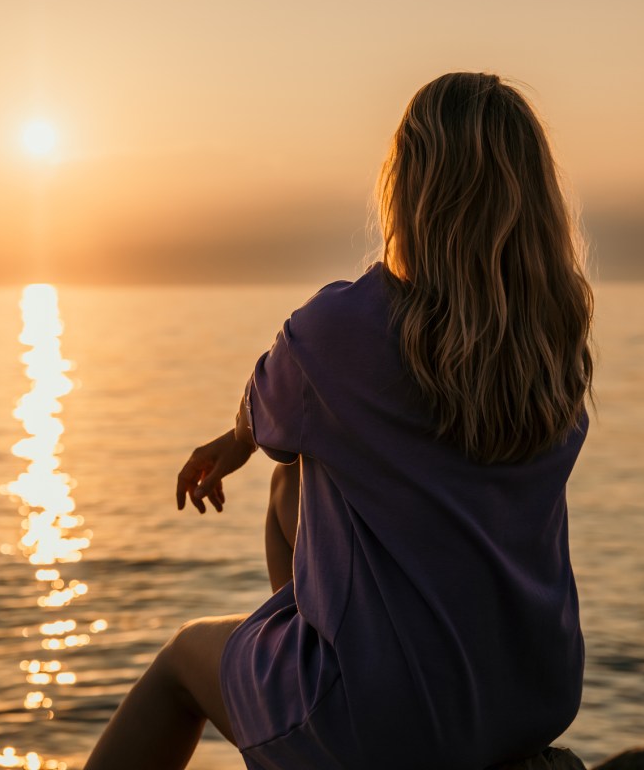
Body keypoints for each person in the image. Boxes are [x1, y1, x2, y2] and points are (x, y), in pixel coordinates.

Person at [85, 71, 594, 770]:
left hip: (391, 725)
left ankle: (312, 727)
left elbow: (267, 418)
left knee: (180, 662)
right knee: (290, 484)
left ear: (409, 190)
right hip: (528, 699)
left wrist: (235, 441)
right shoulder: (553, 346)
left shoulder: (338, 331)